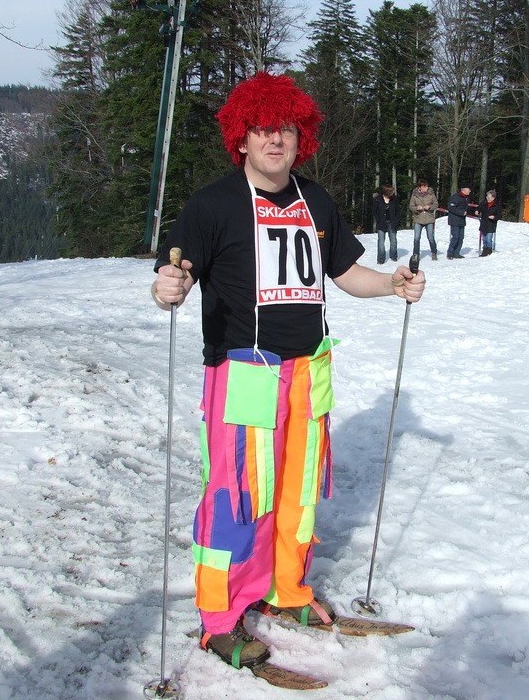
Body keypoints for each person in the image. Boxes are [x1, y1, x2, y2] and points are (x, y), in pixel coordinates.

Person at [151, 72, 425, 671]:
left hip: (308, 372)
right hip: (244, 372)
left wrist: (392, 284)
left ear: (301, 138)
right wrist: (168, 288)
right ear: (241, 138)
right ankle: (220, 618)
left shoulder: (315, 200)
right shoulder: (213, 204)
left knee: (297, 493)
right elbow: (176, 276)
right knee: (237, 496)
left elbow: (346, 273)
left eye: (286, 129)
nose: (275, 139)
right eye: (262, 128)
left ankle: (285, 590)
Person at [409, 179, 438, 261]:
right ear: (420, 187)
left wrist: (430, 207)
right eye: (424, 186)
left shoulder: (431, 193)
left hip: (429, 218)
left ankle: (434, 252)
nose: (426, 188)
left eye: (427, 186)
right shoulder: (414, 195)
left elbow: (436, 204)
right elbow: (411, 206)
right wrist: (416, 208)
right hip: (418, 218)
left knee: (431, 237)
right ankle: (416, 254)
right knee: (416, 238)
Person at [373, 184, 400, 263]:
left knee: (393, 241)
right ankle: (381, 259)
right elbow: (374, 211)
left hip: (392, 222)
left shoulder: (394, 199)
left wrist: (396, 220)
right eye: (392, 191)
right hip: (381, 223)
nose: (393, 192)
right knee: (381, 242)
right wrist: (378, 219)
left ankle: (393, 256)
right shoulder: (378, 199)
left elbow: (398, 210)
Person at [446, 185, 471, 259]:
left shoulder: (466, 198)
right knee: (455, 237)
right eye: (468, 189)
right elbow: (451, 207)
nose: (470, 191)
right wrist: (461, 212)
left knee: (461, 238)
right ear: (463, 189)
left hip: (461, 220)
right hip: (454, 220)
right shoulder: (456, 197)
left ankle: (456, 253)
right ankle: (450, 253)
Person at [475, 190, 501, 256]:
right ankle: (484, 250)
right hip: (484, 223)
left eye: (488, 197)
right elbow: (479, 208)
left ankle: (489, 250)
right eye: (487, 197)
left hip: (491, 224)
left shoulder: (496, 205)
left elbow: (499, 215)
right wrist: (477, 211)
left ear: (493, 198)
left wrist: (494, 217)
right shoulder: (484, 203)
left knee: (489, 239)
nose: (487, 198)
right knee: (484, 239)